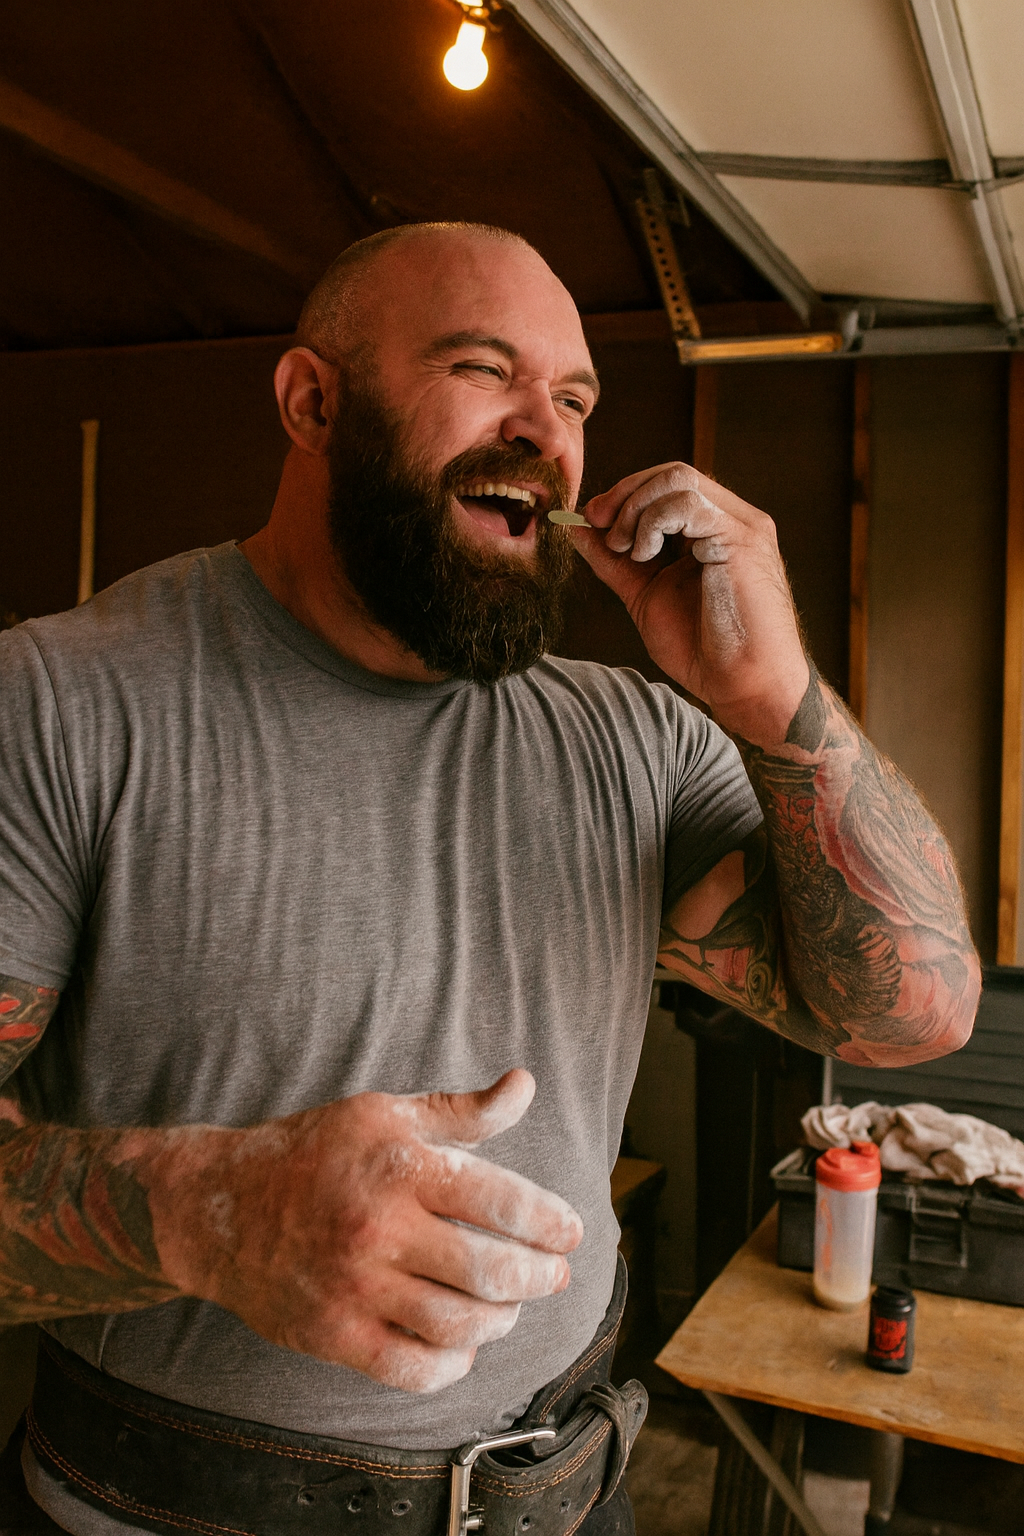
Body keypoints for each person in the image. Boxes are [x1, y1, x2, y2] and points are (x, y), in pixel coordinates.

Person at [0, 223, 979, 1536]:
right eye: (484, 370)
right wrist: (203, 1212)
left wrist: (774, 693)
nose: (549, 432)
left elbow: (913, 1015)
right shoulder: (60, 704)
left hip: (571, 1494)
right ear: (313, 401)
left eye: (574, 399)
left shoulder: (632, 735)